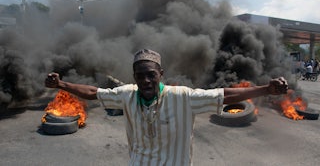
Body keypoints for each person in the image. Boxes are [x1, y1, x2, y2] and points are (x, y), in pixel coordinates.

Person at [45, 48, 288, 166]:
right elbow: (93, 93)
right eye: (140, 76)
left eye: (151, 75)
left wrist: (265, 89)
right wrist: (61, 84)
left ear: (161, 74)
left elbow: (224, 95)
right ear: (134, 76)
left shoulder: (182, 97)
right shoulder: (127, 95)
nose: (146, 81)